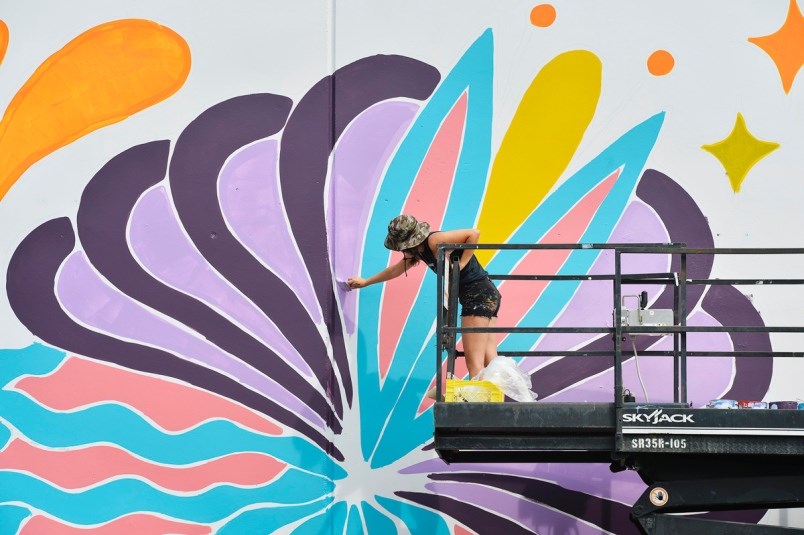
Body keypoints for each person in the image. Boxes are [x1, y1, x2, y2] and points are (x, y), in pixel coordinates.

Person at [347, 215, 501, 380]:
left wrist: (461, 265)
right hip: (487, 293)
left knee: (475, 365)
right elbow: (395, 270)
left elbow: (473, 234)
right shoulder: (419, 253)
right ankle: (496, 403)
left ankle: (481, 405)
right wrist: (366, 282)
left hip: (477, 295)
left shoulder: (434, 240)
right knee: (490, 359)